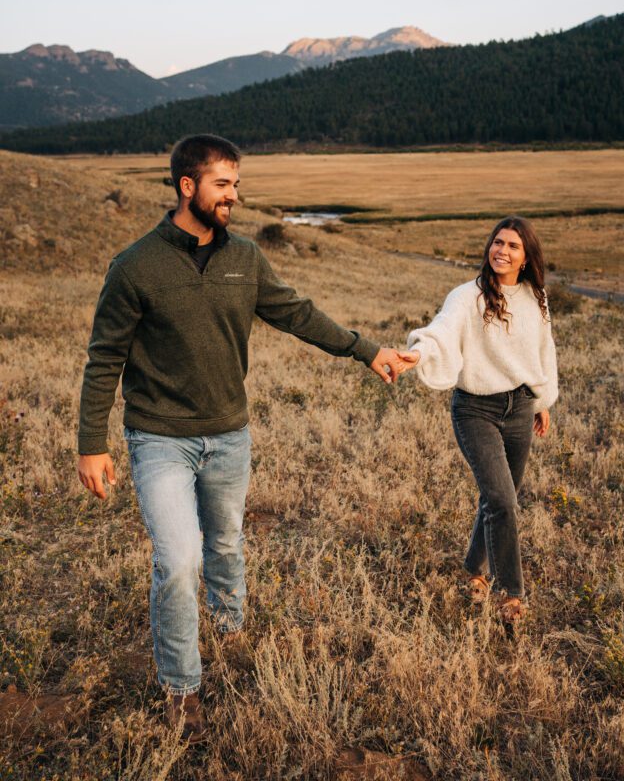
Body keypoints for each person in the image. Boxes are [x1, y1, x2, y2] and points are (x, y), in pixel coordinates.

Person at [77, 133, 417, 742]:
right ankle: (182, 688)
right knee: (179, 560)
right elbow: (104, 357)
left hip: (229, 435)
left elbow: (297, 313)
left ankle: (230, 625)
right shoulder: (135, 267)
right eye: (223, 184)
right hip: (159, 439)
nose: (235, 194)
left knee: (227, 544)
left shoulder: (246, 259)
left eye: (236, 183)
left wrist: (367, 352)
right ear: (188, 187)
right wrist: (90, 444)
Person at [406, 216, 558, 624]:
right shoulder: (467, 296)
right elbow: (440, 331)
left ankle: (474, 569)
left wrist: (542, 400)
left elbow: (544, 352)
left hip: (521, 408)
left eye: (512, 246)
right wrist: (419, 352)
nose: (501, 251)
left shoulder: (535, 298)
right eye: (497, 242)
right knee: (504, 501)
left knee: (498, 498)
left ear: (525, 258)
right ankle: (511, 595)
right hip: (476, 409)